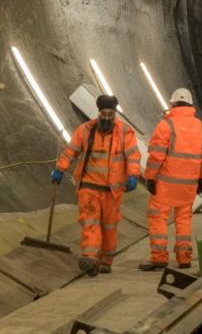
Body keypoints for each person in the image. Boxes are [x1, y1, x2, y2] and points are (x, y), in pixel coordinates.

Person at [52, 94, 141, 276]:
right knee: (90, 223)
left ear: (115, 113)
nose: (107, 117)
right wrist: (60, 168)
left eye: (110, 114)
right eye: (104, 113)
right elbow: (71, 151)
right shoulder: (85, 130)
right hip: (89, 187)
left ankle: (106, 261)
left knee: (109, 227)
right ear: (98, 113)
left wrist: (133, 175)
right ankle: (90, 257)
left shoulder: (125, 132)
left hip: (112, 190)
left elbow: (133, 156)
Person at [140, 88, 202, 271]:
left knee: (158, 219)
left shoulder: (166, 125)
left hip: (165, 183)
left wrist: (150, 177)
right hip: (188, 185)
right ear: (191, 104)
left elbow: (156, 156)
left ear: (173, 104)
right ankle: (184, 259)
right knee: (184, 220)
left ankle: (159, 258)